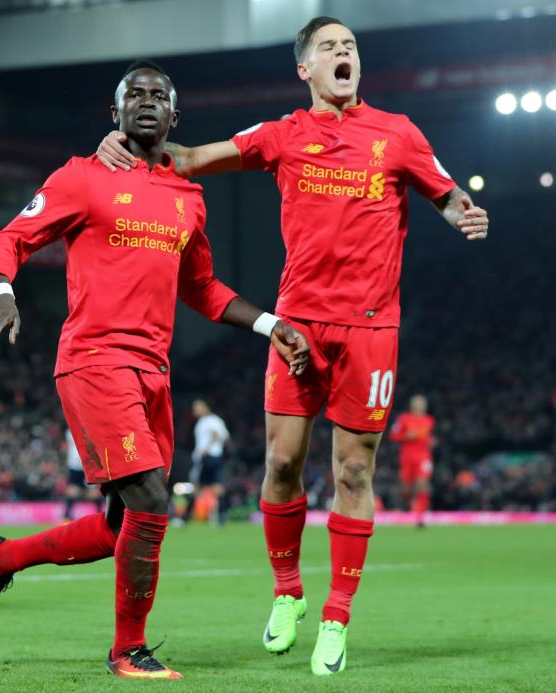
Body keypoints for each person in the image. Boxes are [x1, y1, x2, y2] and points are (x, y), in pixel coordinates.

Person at [97, 16, 489, 676]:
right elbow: (192, 158)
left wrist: (463, 211)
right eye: (330, 48)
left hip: (370, 327)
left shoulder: (397, 133)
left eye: (351, 47)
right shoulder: (284, 134)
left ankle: (337, 614)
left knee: (354, 471)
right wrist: (126, 141)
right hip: (298, 326)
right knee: (281, 463)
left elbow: (445, 190)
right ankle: (288, 592)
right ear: (304, 69)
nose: (345, 54)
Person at [0, 60, 310, 680]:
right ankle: (128, 650)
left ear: (175, 117)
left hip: (155, 371)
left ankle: (3, 557)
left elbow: (203, 289)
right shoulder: (82, 177)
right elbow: (11, 238)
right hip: (95, 360)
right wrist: (1, 292)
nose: (147, 102)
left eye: (160, 95)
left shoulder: (189, 197)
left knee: (120, 526)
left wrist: (270, 324)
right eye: (135, 95)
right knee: (152, 501)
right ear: (116, 113)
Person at [389, 394, 435, 527]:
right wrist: (406, 436)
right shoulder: (403, 419)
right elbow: (393, 435)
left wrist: (431, 442)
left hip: (423, 457)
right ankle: (411, 505)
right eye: (417, 403)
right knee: (406, 489)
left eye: (422, 404)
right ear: (412, 405)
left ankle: (421, 516)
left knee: (422, 484)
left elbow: (429, 437)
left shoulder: (429, 420)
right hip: (407, 457)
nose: (420, 406)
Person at [184, 399, 230, 526]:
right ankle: (221, 518)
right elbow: (226, 438)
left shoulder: (209, 421)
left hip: (207, 457)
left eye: (197, 408)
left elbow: (217, 435)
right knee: (217, 487)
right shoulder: (212, 421)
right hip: (215, 457)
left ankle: (184, 518)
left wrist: (206, 449)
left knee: (197, 486)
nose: (195, 411)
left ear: (206, 407)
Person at [61, 428, 103, 522]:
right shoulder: (70, 431)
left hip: (87, 465)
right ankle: (66, 516)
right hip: (75, 466)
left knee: (92, 493)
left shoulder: (86, 428)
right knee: (72, 491)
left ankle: (101, 515)